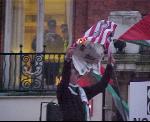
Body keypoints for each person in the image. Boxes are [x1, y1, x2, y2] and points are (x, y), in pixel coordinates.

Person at [57, 47, 113, 121]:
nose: (78, 75)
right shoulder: (63, 90)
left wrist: (109, 66)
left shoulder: (82, 92)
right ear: (69, 76)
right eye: (75, 73)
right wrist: (68, 59)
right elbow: (65, 78)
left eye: (78, 73)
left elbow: (101, 85)